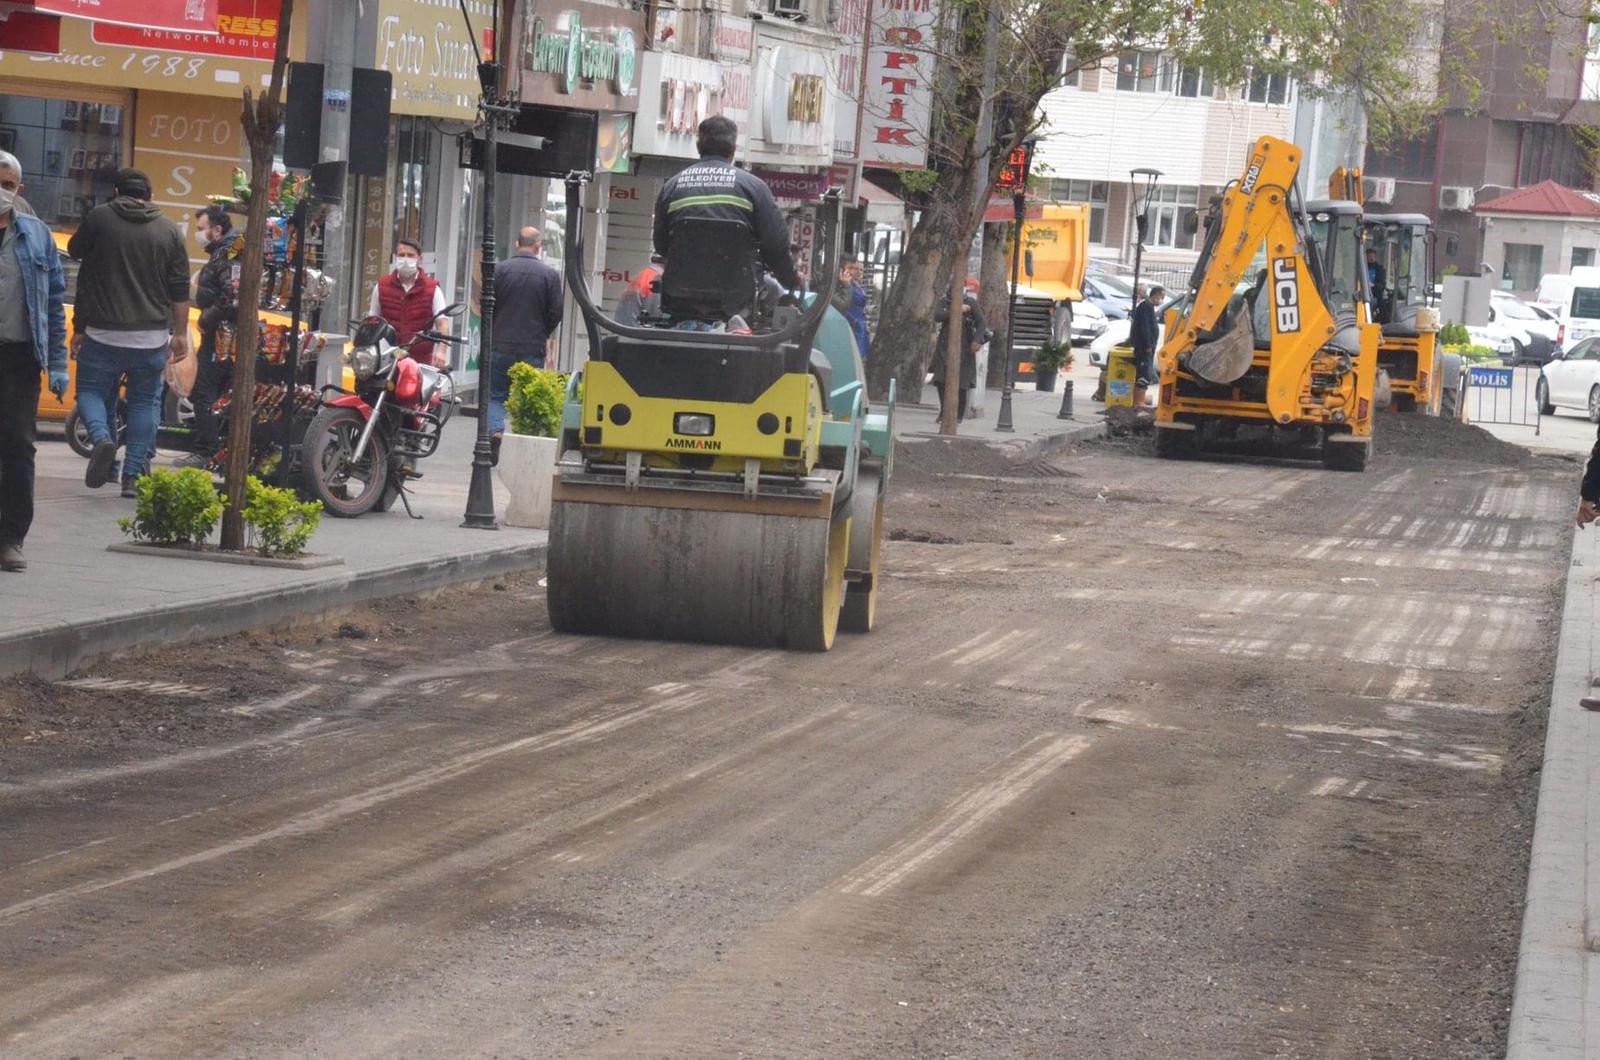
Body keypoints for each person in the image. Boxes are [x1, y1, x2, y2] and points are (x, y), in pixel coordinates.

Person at [68, 167, 190, 498]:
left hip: (102, 333)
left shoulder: (100, 218)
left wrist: (79, 327)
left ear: (116, 193)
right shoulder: (169, 230)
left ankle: (102, 439)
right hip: (150, 337)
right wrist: (180, 333)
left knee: (92, 392)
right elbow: (180, 289)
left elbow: (76, 252)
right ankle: (134, 475)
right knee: (144, 403)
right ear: (149, 196)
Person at [0, 150, 68, 572]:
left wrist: (58, 360)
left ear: (18, 190)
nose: (0, 192)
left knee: (19, 446)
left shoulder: (37, 235)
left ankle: (10, 538)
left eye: (7, 185)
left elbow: (54, 305)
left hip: (20, 356)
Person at [653, 115, 801, 303]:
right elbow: (776, 246)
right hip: (739, 296)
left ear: (699, 147)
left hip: (679, 294)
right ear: (733, 149)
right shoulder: (754, 188)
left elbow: (661, 244)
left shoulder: (673, 186)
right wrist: (790, 280)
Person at [488, 225, 564, 454]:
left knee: (496, 395)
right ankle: (524, 443)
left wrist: (495, 328)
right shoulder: (549, 275)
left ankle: (495, 430)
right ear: (538, 245)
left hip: (501, 343)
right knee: (528, 394)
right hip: (532, 346)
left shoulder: (500, 270)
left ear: (516, 243)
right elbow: (556, 312)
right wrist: (542, 332)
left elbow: (487, 304)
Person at [178, 204, 243, 467]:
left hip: (222, 337)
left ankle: (206, 451)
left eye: (202, 229)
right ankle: (216, 449)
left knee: (204, 391)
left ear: (217, 230)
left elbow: (231, 296)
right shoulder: (221, 252)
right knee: (214, 392)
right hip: (220, 335)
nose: (198, 233)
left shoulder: (228, 254)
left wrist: (207, 318)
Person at [369, 237, 448, 365]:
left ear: (420, 259)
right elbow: (372, 319)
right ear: (395, 257)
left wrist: (441, 351)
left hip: (420, 361)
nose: (405, 259)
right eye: (401, 255)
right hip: (386, 359)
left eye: (410, 255)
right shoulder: (381, 286)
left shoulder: (433, 289)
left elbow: (442, 324)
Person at [930, 287, 990, 423]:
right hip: (944, 346)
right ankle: (944, 412)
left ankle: (958, 415)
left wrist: (976, 340)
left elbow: (981, 322)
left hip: (965, 347)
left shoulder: (970, 302)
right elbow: (937, 316)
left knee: (962, 382)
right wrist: (956, 310)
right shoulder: (944, 302)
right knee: (941, 379)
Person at [1130, 285, 1165, 408]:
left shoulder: (1148, 307)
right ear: (1155, 295)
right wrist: (1148, 345)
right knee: (1144, 373)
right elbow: (1145, 328)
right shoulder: (1145, 307)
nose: (1162, 300)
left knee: (1147, 373)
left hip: (1147, 346)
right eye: (1161, 297)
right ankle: (1138, 401)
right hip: (1144, 347)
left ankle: (1140, 400)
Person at [832, 255, 871, 359]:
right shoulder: (844, 285)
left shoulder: (858, 286)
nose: (857, 272)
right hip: (851, 322)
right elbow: (843, 305)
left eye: (860, 269)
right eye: (852, 268)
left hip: (859, 323)